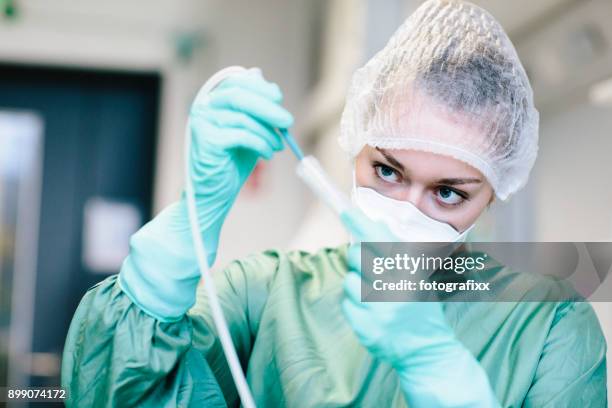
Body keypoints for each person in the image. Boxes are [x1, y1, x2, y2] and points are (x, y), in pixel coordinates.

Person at [61, 0, 607, 406]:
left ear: (492, 196)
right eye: (387, 171)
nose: (405, 210)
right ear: (353, 149)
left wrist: (436, 368)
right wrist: (188, 223)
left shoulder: (547, 323)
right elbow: (113, 394)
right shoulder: (267, 295)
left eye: (447, 193)